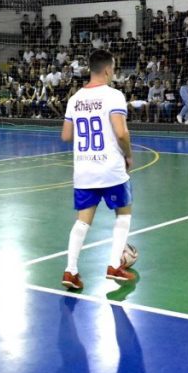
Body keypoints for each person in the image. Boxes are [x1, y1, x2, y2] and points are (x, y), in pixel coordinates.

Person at [60, 49, 136, 290]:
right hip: (110, 168)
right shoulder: (114, 96)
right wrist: (128, 154)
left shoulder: (75, 99)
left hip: (84, 170)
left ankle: (71, 270)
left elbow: (66, 136)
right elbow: (122, 132)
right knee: (123, 214)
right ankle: (114, 265)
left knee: (82, 222)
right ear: (106, 69)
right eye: (112, 68)